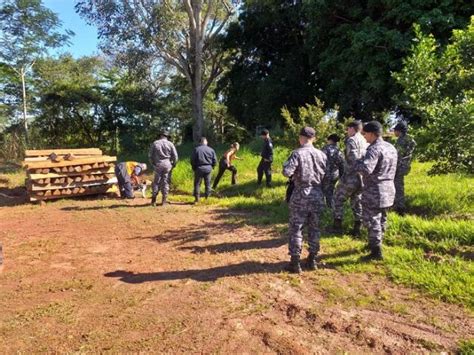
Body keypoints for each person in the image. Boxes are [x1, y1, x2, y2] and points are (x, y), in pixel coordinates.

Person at [282, 127, 327, 273]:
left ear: (301, 137)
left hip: (301, 195)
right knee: (314, 228)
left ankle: (295, 263)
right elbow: (328, 176)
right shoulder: (322, 154)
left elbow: (286, 172)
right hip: (318, 194)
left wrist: (286, 166)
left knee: (296, 228)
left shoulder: (297, 154)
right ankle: (312, 260)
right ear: (314, 138)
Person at [354, 121, 398, 260]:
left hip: (375, 189)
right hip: (389, 188)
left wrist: (358, 163)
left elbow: (366, 170)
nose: (364, 137)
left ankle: (376, 252)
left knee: (372, 220)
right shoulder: (391, 147)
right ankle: (375, 243)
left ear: (372, 134)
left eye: (365, 134)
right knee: (382, 218)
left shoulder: (374, 149)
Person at [332, 120, 368, 236]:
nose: (347, 131)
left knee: (337, 198)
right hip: (362, 177)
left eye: (348, 129)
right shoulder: (364, 140)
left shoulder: (352, 140)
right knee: (357, 201)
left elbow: (352, 159)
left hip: (351, 176)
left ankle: (337, 226)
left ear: (352, 128)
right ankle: (357, 228)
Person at [149, 131, 178, 206]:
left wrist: (153, 164)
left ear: (161, 136)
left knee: (156, 182)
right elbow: (175, 156)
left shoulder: (155, 143)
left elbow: (150, 156)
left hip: (158, 164)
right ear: (167, 136)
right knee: (165, 182)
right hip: (167, 164)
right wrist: (173, 164)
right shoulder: (170, 144)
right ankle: (164, 201)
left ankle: (153, 201)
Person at [393, 121, 416, 215]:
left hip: (399, 167)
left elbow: (398, 155)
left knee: (397, 187)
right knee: (399, 186)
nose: (394, 132)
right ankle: (399, 206)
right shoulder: (410, 139)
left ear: (399, 131)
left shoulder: (401, 140)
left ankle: (400, 208)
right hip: (405, 166)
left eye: (395, 130)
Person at [191, 137, 217, 203]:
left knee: (197, 184)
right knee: (208, 184)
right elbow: (215, 160)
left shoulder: (196, 149)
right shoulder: (211, 150)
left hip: (199, 168)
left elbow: (192, 160)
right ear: (206, 142)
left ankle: (197, 199)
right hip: (208, 168)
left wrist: (194, 168)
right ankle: (207, 198)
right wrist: (212, 167)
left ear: (200, 142)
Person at [321, 134, 345, 209]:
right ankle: (331, 208)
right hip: (334, 175)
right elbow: (342, 165)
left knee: (321, 191)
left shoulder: (324, 149)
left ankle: (322, 208)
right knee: (331, 191)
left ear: (330, 140)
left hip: (324, 174)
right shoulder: (339, 151)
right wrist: (341, 177)